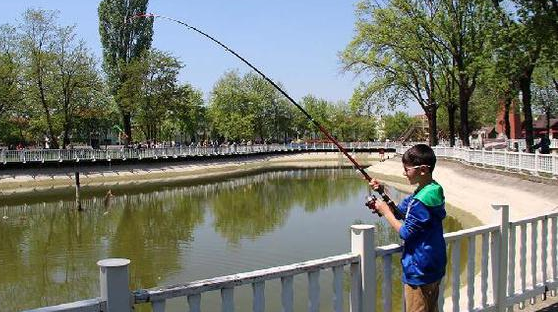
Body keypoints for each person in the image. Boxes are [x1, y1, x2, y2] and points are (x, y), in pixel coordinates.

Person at [367, 144, 446, 312]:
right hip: (433, 264)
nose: (404, 173)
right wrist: (382, 193)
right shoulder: (430, 190)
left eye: (407, 169)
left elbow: (406, 232)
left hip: (419, 268)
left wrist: (385, 212)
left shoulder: (421, 200)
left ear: (423, 170)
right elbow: (402, 213)